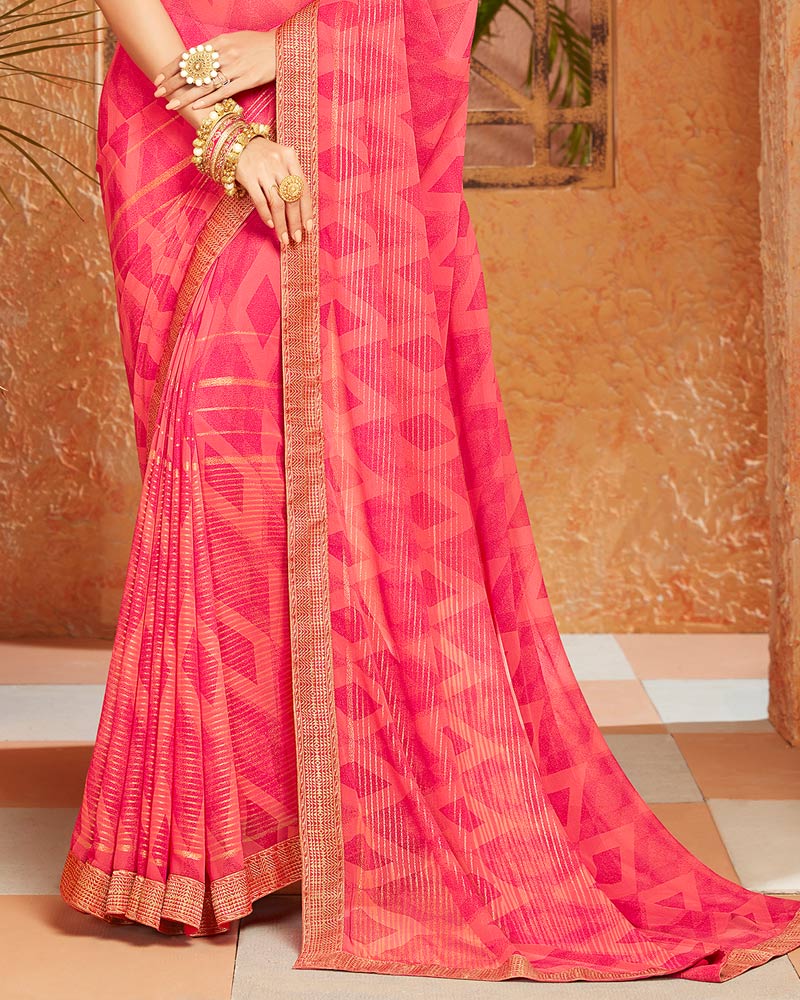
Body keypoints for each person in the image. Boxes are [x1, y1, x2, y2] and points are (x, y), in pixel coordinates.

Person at [59, 0, 800, 983]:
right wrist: (224, 130)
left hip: (322, 119)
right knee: (211, 459)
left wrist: (292, 52)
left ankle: (299, 817)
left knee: (293, 472)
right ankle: (215, 837)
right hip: (176, 116)